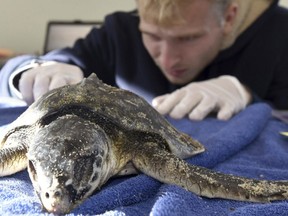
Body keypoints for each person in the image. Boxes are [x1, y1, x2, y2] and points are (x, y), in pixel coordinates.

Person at [0, 0, 288, 120]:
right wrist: (33, 70)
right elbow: (45, 63)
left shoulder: (279, 33)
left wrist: (249, 97)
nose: (168, 58)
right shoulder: (120, 32)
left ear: (229, 17)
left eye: (188, 38)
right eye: (152, 36)